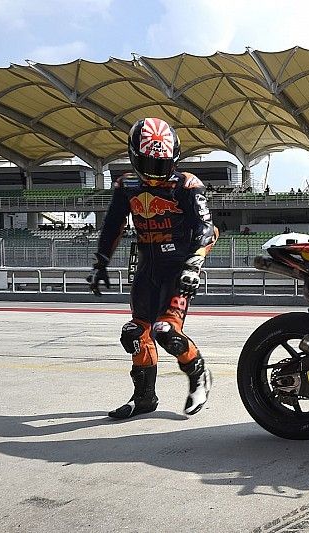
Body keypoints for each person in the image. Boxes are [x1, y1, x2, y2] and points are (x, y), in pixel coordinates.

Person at [87, 117, 218, 419]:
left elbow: (206, 228)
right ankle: (144, 398)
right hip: (147, 268)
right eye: (149, 164)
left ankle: (198, 373)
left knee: (166, 331)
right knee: (134, 333)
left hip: (178, 270)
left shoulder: (187, 184)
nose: (156, 174)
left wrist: (194, 265)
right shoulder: (125, 185)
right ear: (134, 156)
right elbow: (111, 227)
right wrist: (101, 263)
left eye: (162, 166)